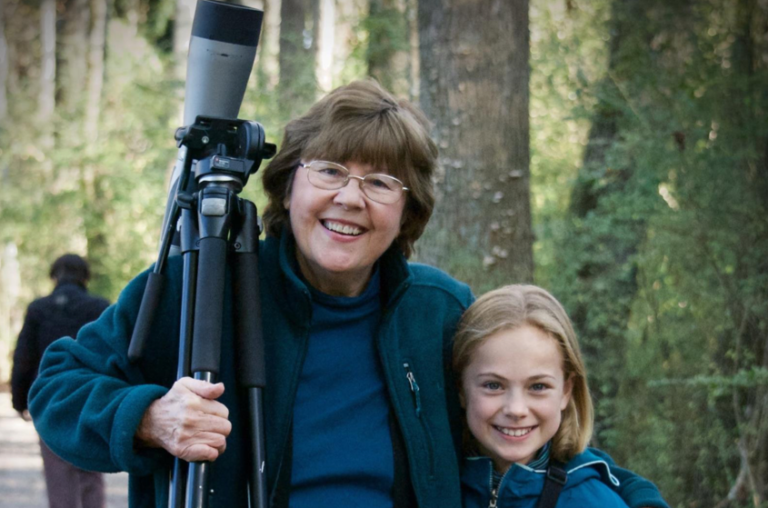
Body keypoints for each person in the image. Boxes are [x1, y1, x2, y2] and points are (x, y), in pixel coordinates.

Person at [28, 80, 667, 508]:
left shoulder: (437, 312)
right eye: (330, 170)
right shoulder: (200, 293)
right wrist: (148, 416)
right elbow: (58, 385)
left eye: (381, 182)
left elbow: (527, 424)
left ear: (407, 209)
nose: (350, 199)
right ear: (288, 186)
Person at [454, 284, 647, 507]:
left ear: (566, 390)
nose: (516, 409)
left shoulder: (596, 501)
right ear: (461, 389)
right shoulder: (427, 489)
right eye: (493, 385)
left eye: (538, 387)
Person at [11, 253, 110, 508]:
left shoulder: (38, 309)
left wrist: (20, 401)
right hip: (90, 396)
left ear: (54, 275)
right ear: (85, 277)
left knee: (57, 472)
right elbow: (112, 356)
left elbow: (24, 357)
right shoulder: (99, 307)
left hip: (50, 398)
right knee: (90, 470)